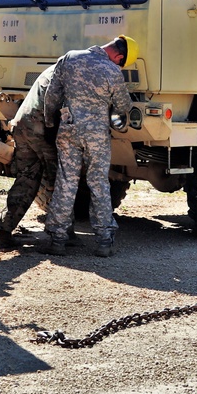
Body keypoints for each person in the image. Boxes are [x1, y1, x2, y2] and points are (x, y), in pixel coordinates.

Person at [39, 35, 136, 257]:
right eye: (120, 62)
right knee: (98, 183)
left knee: (66, 182)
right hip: (96, 136)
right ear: (119, 57)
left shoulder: (69, 58)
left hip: (68, 130)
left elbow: (52, 95)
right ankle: (103, 240)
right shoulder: (112, 71)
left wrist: (50, 123)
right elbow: (123, 106)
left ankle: (57, 240)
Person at [0, 64, 58, 250]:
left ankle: (3, 234)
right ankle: (61, 234)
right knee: (61, 181)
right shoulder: (71, 75)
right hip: (40, 130)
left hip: (21, 125)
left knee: (26, 179)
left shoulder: (52, 70)